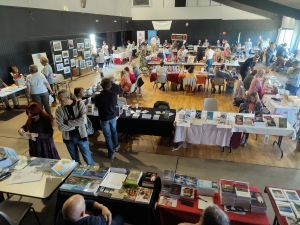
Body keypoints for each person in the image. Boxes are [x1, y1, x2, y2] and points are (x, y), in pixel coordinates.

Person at [56, 89, 95, 165]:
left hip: (81, 137)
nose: (60, 102)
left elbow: (83, 121)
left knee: (88, 159)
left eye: (62, 100)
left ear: (68, 98)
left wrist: (67, 122)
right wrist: (76, 126)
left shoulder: (79, 104)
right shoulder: (59, 109)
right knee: (75, 161)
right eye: (59, 100)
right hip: (68, 138)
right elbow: (60, 127)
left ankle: (93, 174)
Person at [94, 77, 120, 159]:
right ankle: (116, 146)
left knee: (107, 135)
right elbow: (115, 104)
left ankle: (111, 154)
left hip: (104, 117)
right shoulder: (114, 94)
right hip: (112, 116)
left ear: (101, 86)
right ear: (110, 86)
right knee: (114, 131)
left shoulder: (98, 96)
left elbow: (97, 106)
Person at [58, 194, 124, 225]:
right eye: (84, 203)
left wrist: (101, 206)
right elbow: (106, 218)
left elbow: (87, 202)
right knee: (120, 216)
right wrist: (104, 208)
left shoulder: (60, 216)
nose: (85, 202)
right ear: (82, 213)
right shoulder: (93, 222)